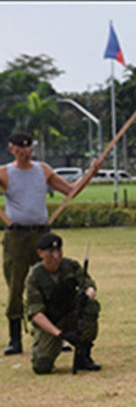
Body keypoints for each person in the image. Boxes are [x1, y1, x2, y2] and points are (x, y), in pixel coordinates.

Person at [0, 131, 89, 355]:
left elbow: (70, 191)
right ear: (12, 149)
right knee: (16, 285)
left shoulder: (43, 170)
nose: (25, 152)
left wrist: (92, 172)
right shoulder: (5, 173)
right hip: (18, 237)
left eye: (28, 147)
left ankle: (57, 334)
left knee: (51, 284)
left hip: (42, 234)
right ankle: (15, 338)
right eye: (20, 148)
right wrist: (7, 221)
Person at [24, 232, 101, 374]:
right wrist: (60, 334)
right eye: (51, 251)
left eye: (59, 250)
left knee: (90, 307)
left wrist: (87, 296)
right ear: (40, 253)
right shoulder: (35, 276)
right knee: (42, 366)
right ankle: (51, 346)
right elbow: (36, 313)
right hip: (49, 322)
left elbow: (89, 285)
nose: (56, 255)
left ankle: (83, 354)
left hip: (70, 314)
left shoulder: (71, 266)